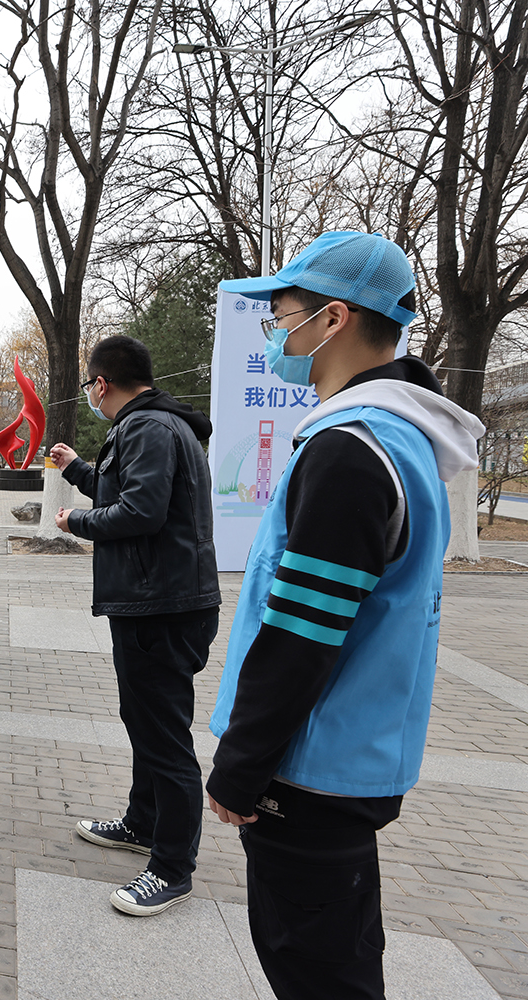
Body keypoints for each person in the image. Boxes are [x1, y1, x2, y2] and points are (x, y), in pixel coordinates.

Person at [206, 232, 483, 999]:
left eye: (280, 316)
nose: (274, 335)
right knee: (338, 957)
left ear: (332, 320)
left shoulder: (350, 450)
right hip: (351, 758)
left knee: (318, 971)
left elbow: (302, 629)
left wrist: (240, 765)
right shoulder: (396, 436)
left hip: (310, 773)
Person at [49, 334, 221, 917]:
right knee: (145, 721)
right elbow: (124, 488)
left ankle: (172, 867)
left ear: (101, 384)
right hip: (156, 602)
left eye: (89, 386)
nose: (91, 395)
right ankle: (142, 823)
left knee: (164, 736)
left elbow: (140, 512)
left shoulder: (149, 429)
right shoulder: (153, 426)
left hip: (163, 606)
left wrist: (78, 521)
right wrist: (77, 469)